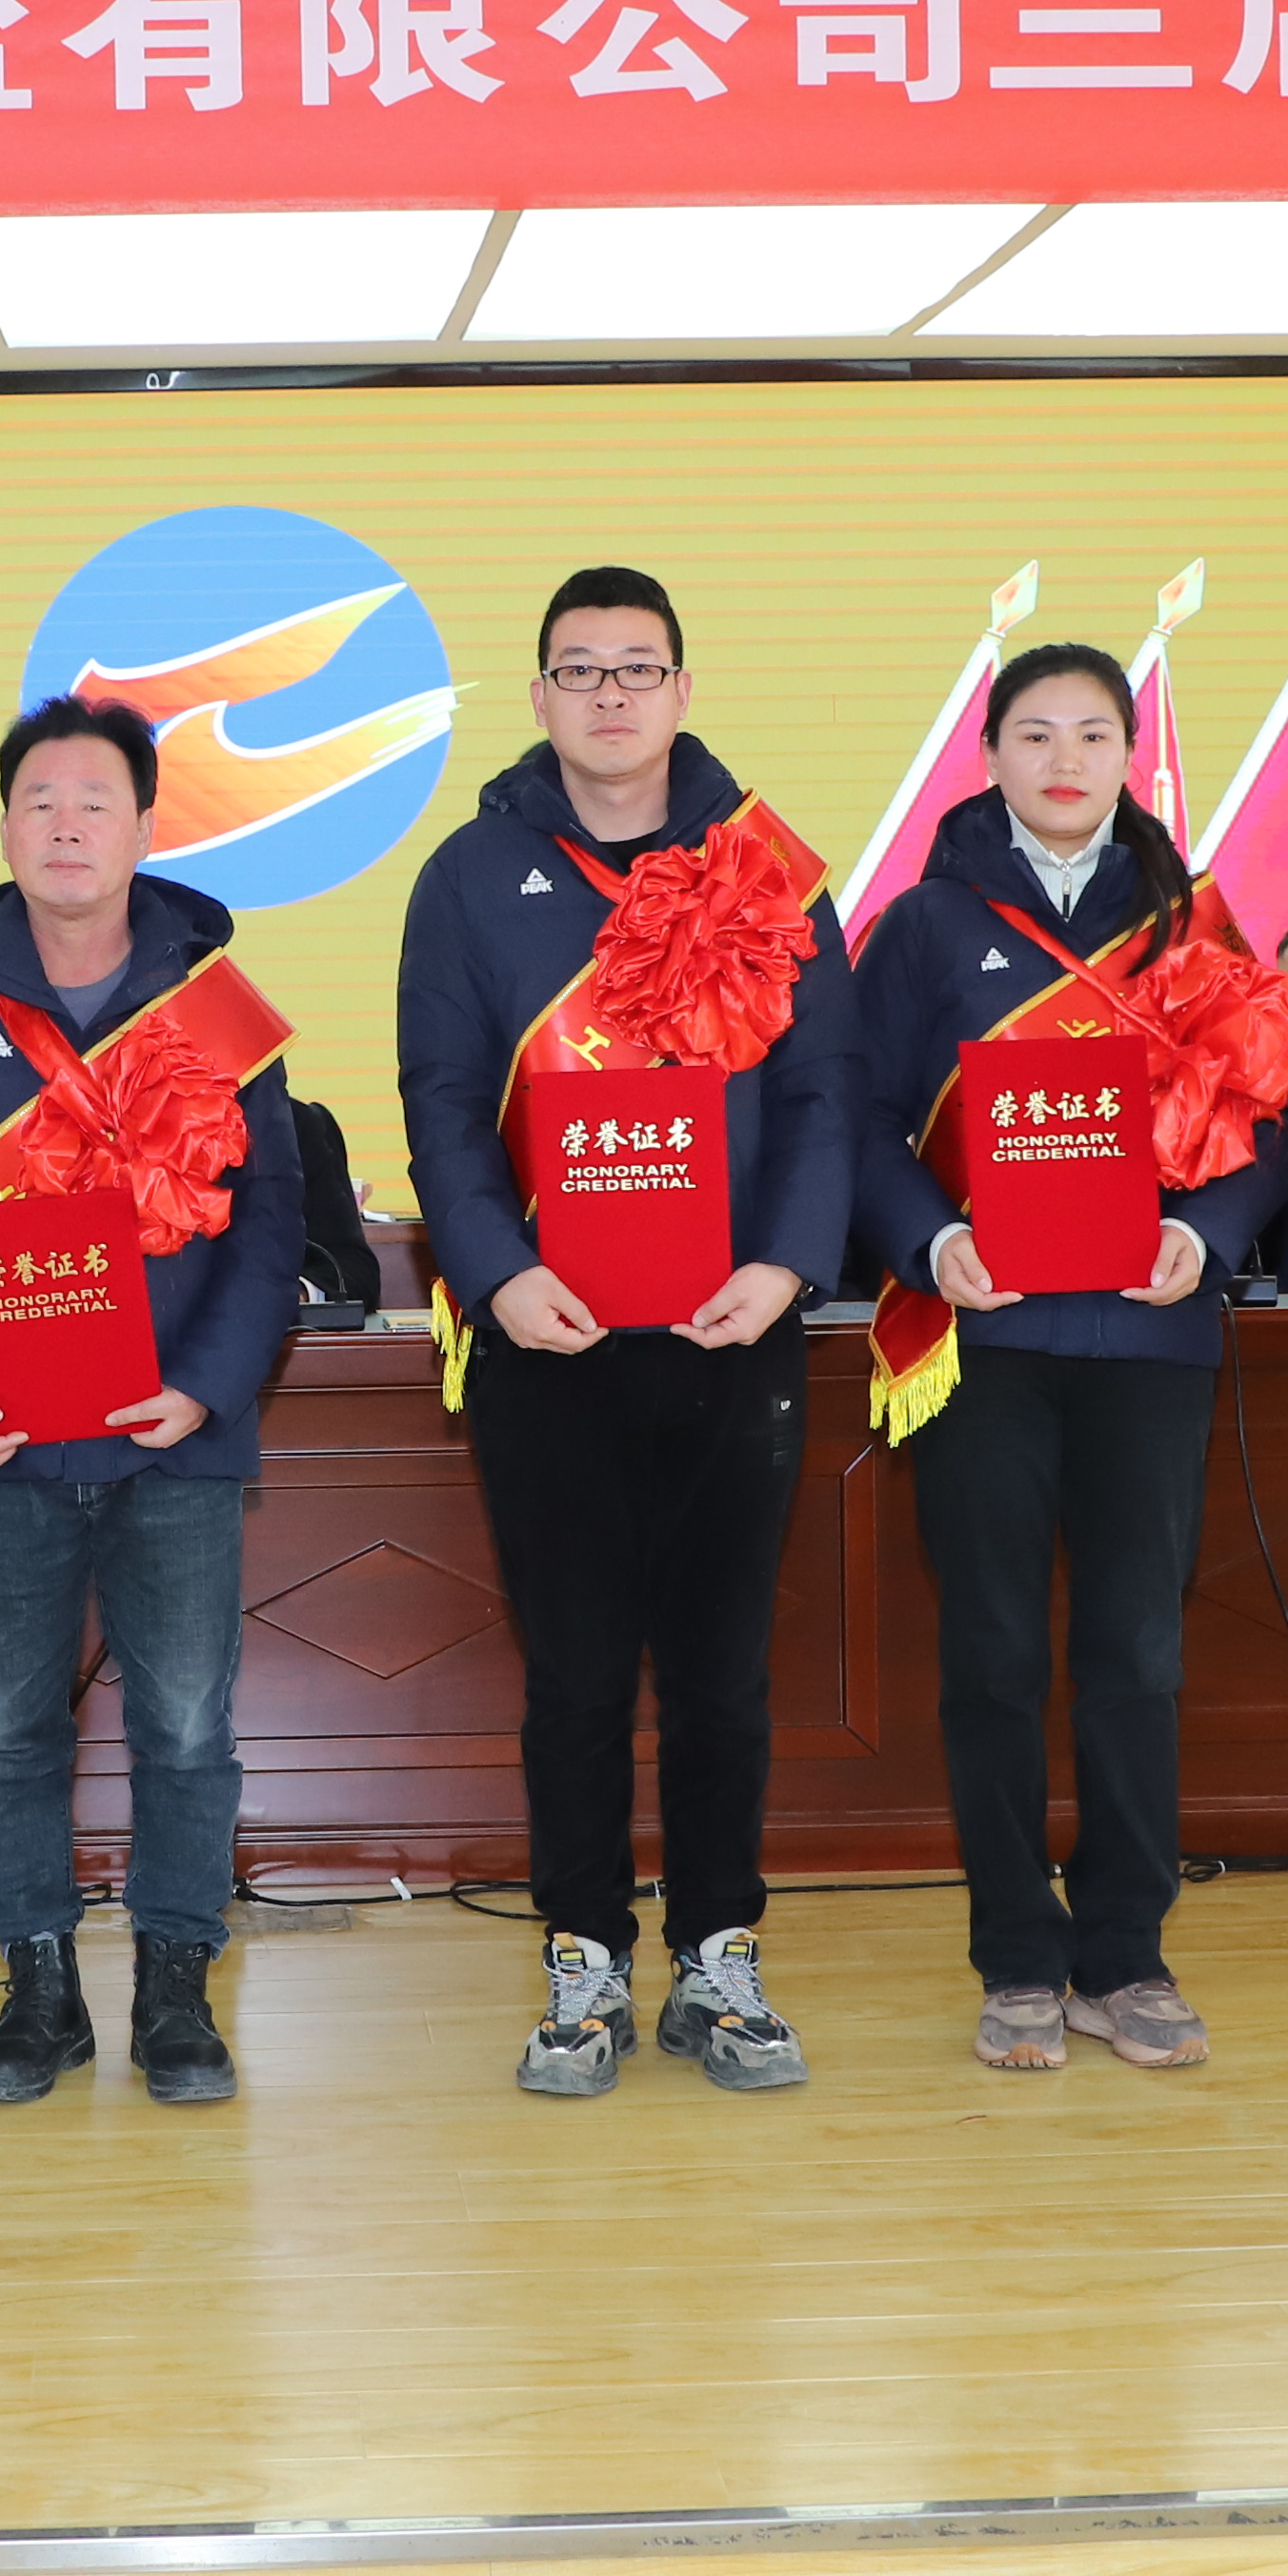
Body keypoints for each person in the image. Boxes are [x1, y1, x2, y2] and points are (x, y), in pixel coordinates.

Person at [393, 566, 863, 2097]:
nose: (610, 694)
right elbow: (441, 1101)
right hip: (551, 1337)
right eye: (580, 669)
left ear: (681, 691)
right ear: (539, 697)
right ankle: (583, 1959)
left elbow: (822, 1094)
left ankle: (720, 1956)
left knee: (724, 1674)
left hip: (737, 1330)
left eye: (637, 667)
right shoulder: (471, 877)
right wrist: (494, 1274)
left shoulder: (766, 869)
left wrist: (787, 1267)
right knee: (578, 1677)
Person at [850, 645, 1288, 2070]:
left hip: (1149, 1335)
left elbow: (1269, 1108)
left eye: (1094, 733)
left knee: (1135, 1653)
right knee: (990, 1651)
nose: (1065, 759)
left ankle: (1125, 1951)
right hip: (983, 1333)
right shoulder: (925, 925)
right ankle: (1015, 1953)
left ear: (1131, 755)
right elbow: (856, 1119)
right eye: (1035, 733)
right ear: (988, 755)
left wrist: (1207, 1232)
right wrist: (930, 1240)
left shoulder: (1193, 918)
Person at [0, 697, 308, 2105]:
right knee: (8, 1726)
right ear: (4, 827)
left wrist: (205, 1389)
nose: (66, 825)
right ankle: (39, 1989)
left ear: (145, 827)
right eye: (40, 800)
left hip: (173, 1440)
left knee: (184, 1726)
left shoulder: (217, 1010)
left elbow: (272, 1226)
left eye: (95, 801)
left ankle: (175, 1986)